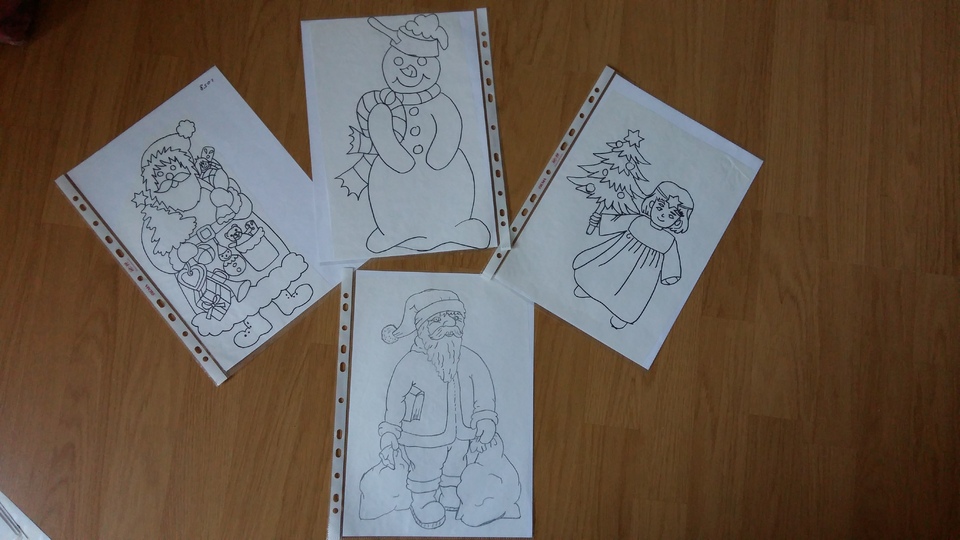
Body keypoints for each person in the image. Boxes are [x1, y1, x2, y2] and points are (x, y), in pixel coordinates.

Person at [134, 120, 312, 347]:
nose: (172, 180)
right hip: (208, 268)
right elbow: (160, 258)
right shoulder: (157, 222)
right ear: (154, 190)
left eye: (176, 172)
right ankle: (251, 325)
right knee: (231, 298)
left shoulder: (212, 189)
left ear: (189, 168)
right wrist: (182, 254)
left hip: (241, 244)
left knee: (266, 271)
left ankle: (286, 295)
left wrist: (230, 205)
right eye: (163, 179)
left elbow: (244, 206)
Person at [339, 13, 491, 253]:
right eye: (399, 61)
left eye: (421, 62)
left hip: (442, 170)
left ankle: (457, 224)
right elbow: (384, 141)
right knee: (389, 192)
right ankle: (393, 230)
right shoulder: (382, 106)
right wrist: (392, 151)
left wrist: (441, 154)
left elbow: (450, 125)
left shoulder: (440, 102)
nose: (409, 69)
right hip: (395, 174)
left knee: (451, 189)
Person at [377, 289, 497, 529]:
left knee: (457, 462)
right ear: (421, 328)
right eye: (437, 320)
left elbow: (484, 392)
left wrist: (485, 418)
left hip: (462, 432)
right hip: (422, 436)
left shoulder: (470, 359)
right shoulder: (409, 363)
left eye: (454, 317)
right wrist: (389, 431)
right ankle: (423, 500)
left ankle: (449, 490)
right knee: (425, 466)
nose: (449, 324)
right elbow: (395, 401)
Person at [573, 181, 694, 329]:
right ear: (651, 204)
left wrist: (670, 275)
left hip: (644, 273)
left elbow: (672, 258)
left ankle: (622, 314)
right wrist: (600, 221)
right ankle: (588, 288)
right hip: (619, 256)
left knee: (632, 293)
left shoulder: (668, 240)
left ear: (678, 221)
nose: (662, 215)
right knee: (605, 271)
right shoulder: (639, 220)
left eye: (670, 215)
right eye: (659, 208)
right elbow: (618, 222)